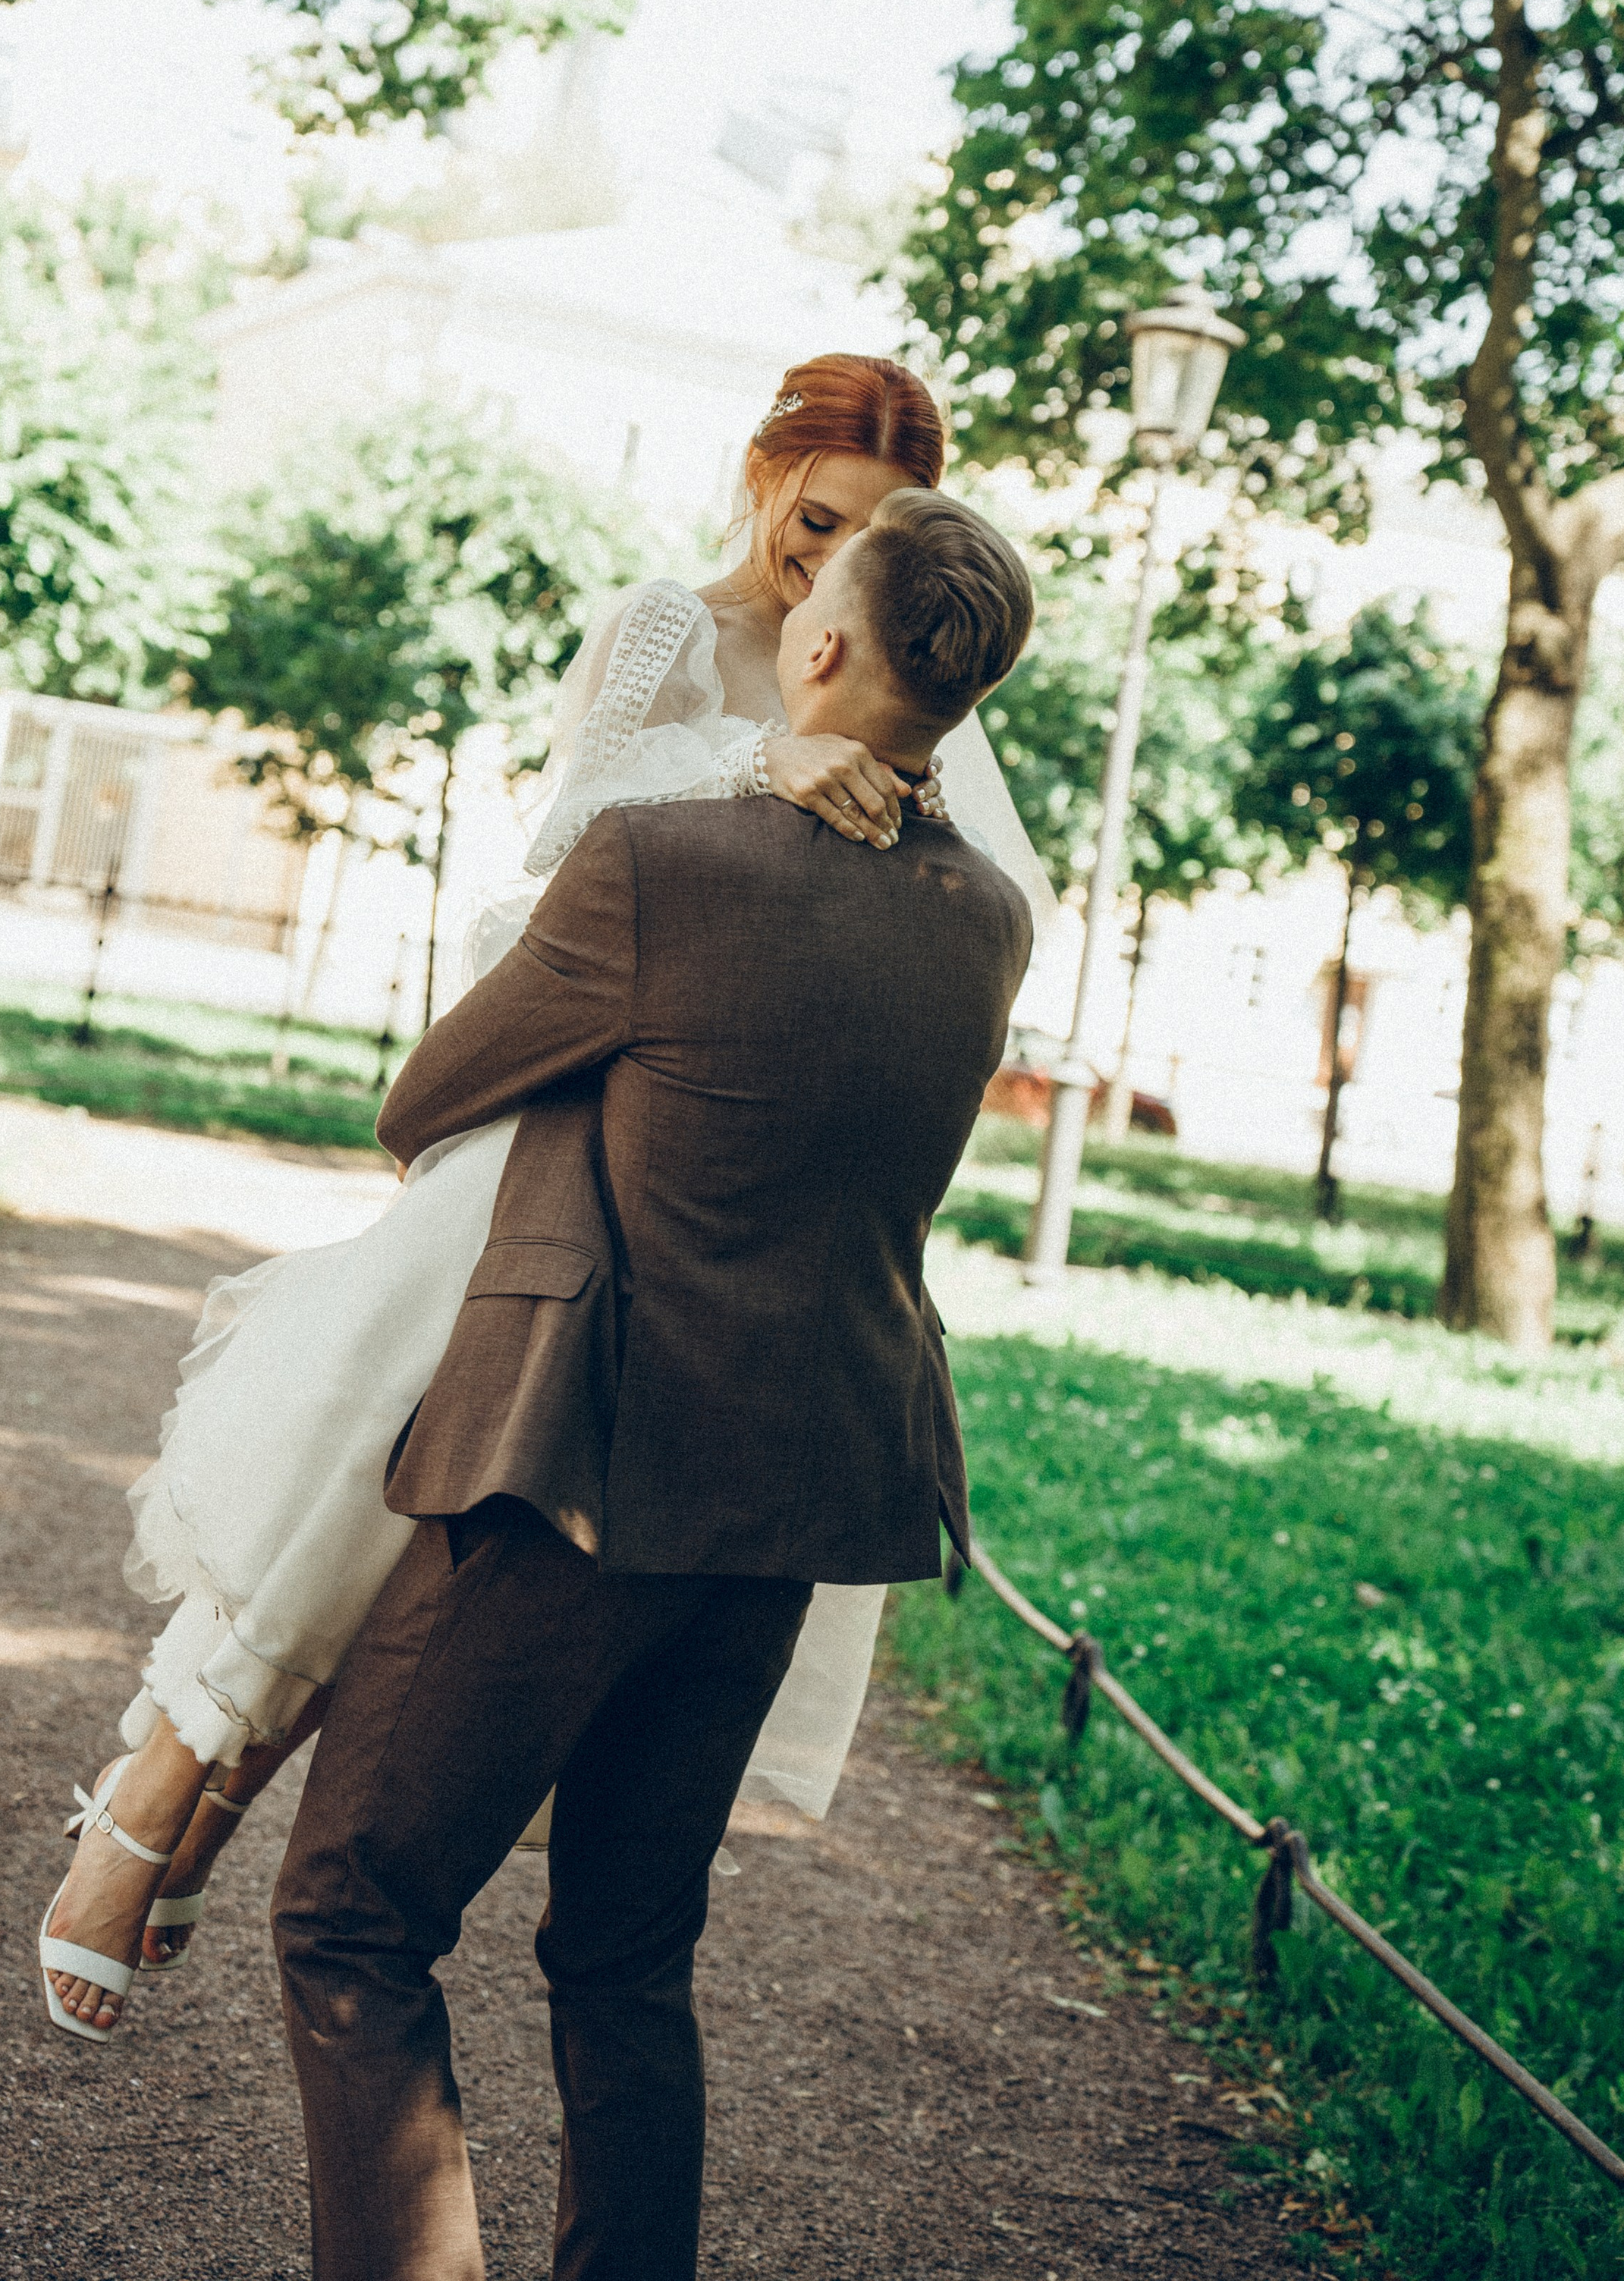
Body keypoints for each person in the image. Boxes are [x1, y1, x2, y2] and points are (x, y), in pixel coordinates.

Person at [35, 356, 1050, 2041]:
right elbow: (561, 842)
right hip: (557, 1079)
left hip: (694, 1145)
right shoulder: (664, 625)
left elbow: (959, 915)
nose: (825, 566)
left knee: (435, 1520)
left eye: (867, 538)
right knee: (361, 1431)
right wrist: (755, 770)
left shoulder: (897, 678)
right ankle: (159, 1797)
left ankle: (182, 1811)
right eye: (812, 521)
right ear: (759, 480)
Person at [272, 488, 1037, 2281]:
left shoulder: (658, 865)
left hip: (571, 1480)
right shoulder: (987, 921)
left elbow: (423, 1098)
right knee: (625, 1960)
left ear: (822, 652)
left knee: (353, 1917)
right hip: (789, 1502)